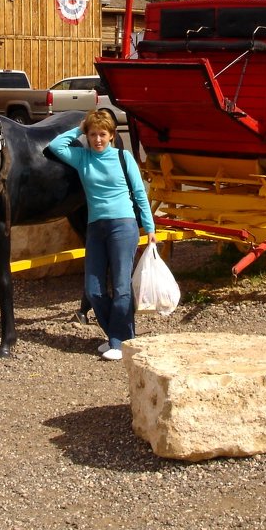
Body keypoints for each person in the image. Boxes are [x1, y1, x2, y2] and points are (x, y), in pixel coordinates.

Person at [47, 110, 155, 361]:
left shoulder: (122, 157)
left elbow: (140, 193)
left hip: (123, 226)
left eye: (102, 134)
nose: (97, 139)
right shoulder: (82, 158)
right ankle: (116, 336)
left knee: (120, 286)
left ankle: (120, 340)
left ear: (112, 136)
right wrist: (81, 126)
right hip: (95, 227)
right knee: (93, 289)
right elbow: (55, 145)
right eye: (93, 134)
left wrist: (149, 228)